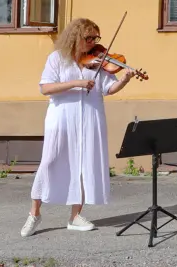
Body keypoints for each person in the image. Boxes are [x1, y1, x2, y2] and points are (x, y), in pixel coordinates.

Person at [21, 18, 138, 237]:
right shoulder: (57, 59)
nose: (93, 42)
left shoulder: (98, 61)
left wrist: (124, 80)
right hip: (62, 118)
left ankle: (75, 216)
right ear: (76, 37)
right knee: (49, 162)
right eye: (89, 38)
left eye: (96, 38)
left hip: (91, 117)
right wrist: (77, 83)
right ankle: (34, 213)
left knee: (84, 166)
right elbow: (45, 88)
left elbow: (108, 88)